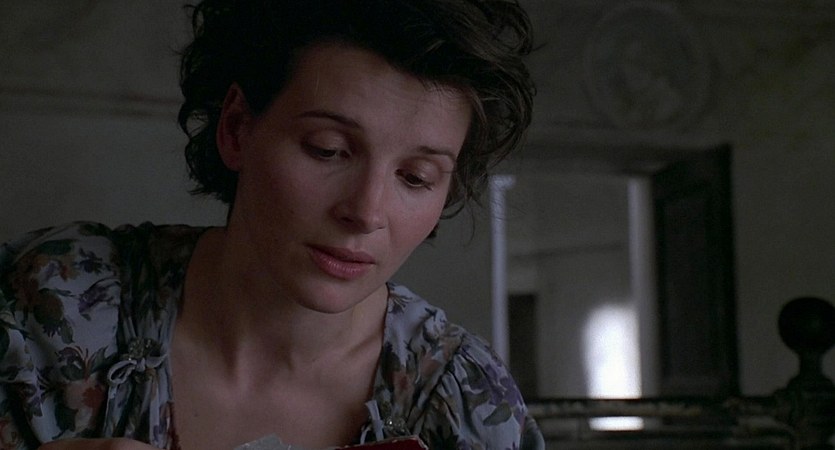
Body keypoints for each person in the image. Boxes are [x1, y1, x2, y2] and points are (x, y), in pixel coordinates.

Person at [0, 0, 539, 448]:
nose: (366, 212)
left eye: (416, 177)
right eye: (328, 150)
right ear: (237, 128)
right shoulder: (54, 307)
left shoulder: (466, 401)